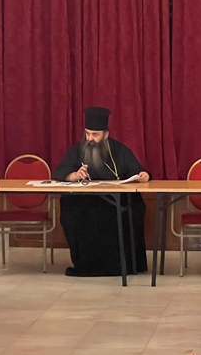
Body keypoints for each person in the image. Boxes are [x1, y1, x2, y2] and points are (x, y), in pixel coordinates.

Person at [54, 107, 150, 277]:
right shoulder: (77, 150)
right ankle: (85, 265)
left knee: (134, 206)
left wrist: (144, 175)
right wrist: (73, 175)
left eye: (95, 135)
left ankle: (122, 264)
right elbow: (60, 172)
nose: (90, 139)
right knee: (70, 209)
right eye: (87, 134)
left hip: (115, 203)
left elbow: (137, 170)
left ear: (105, 135)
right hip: (84, 203)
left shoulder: (119, 150)